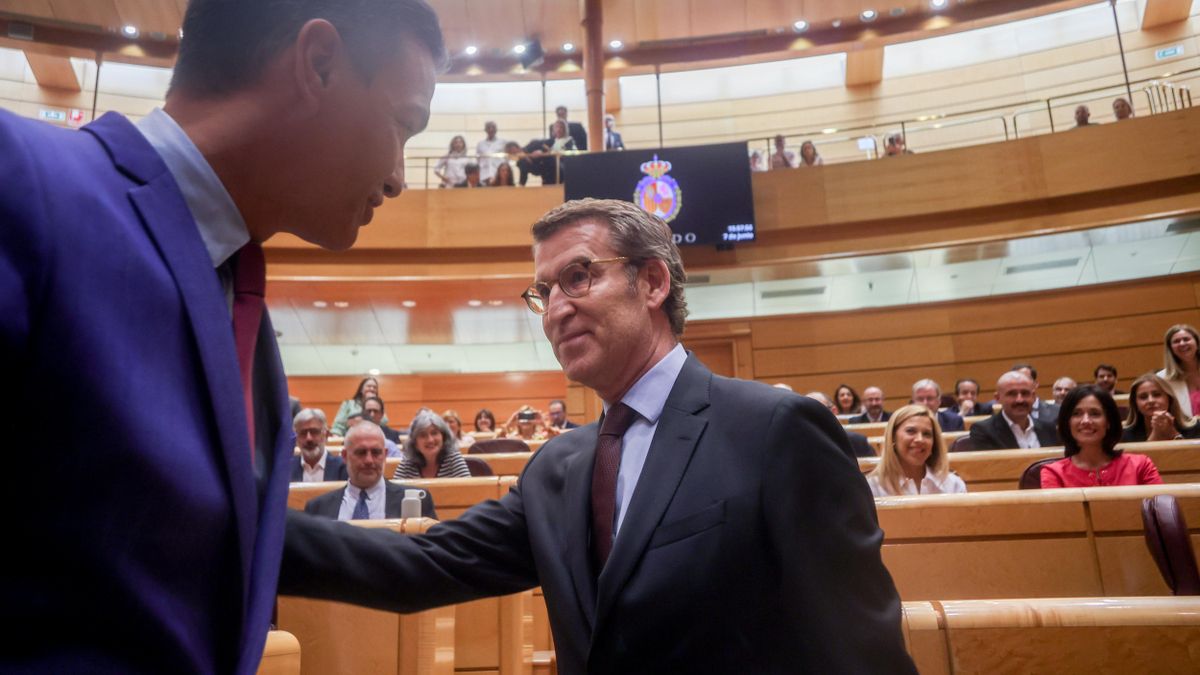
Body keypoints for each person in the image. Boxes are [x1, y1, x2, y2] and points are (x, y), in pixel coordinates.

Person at [280, 198, 914, 673]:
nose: (556, 308)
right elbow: (422, 567)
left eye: (579, 276)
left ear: (653, 282)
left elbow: (862, 650)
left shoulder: (775, 430)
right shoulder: (558, 468)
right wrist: (234, 525)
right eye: (543, 291)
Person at [0, 0, 445, 671]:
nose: (398, 178)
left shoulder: (242, 305)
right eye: (403, 125)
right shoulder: (22, 179)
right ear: (318, 63)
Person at [304, 421, 437, 520]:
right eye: (361, 452)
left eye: (376, 452)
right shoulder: (317, 508)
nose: (369, 460)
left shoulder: (418, 501)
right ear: (344, 456)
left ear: (385, 455)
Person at [1042, 386, 1163, 488]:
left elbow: (1161, 511)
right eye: (1076, 414)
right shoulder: (1053, 473)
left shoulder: (1140, 466)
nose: (1086, 421)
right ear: (1067, 422)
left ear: (1108, 422)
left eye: (1095, 414)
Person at [867, 404, 966, 496]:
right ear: (893, 437)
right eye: (911, 431)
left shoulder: (953, 485)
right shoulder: (872, 487)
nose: (920, 439)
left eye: (927, 434)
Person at [968, 371, 1059, 450]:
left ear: (1033, 396)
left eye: (1025, 393)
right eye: (1012, 394)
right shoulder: (983, 431)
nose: (1020, 400)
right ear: (998, 398)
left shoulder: (1049, 428)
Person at [391, 410, 472, 479]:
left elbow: (468, 491)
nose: (430, 440)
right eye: (423, 435)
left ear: (443, 437)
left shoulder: (453, 459)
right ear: (415, 442)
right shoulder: (408, 461)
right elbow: (394, 494)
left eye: (434, 433)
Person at [1122, 373, 1200, 443]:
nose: (1150, 401)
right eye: (1143, 397)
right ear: (1135, 403)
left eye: (1157, 395)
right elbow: (1142, 458)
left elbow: (1193, 457)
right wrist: (1155, 434)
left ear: (1169, 398)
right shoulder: (1123, 434)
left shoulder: (1195, 427)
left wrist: (1174, 434)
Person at [806, 391, 876, 458]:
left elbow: (871, 469)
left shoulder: (857, 442)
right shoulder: (796, 445)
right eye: (805, 412)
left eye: (817, 410)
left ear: (833, 411)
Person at [290, 408, 349, 482]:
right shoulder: (286, 469)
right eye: (303, 433)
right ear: (296, 438)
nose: (309, 439)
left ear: (326, 435)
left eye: (314, 432)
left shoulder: (343, 467)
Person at [1157, 324, 1200, 416]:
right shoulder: (1162, 379)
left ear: (1197, 343)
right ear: (1171, 349)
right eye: (1176, 341)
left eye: (1186, 339)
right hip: (1185, 429)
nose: (1182, 343)